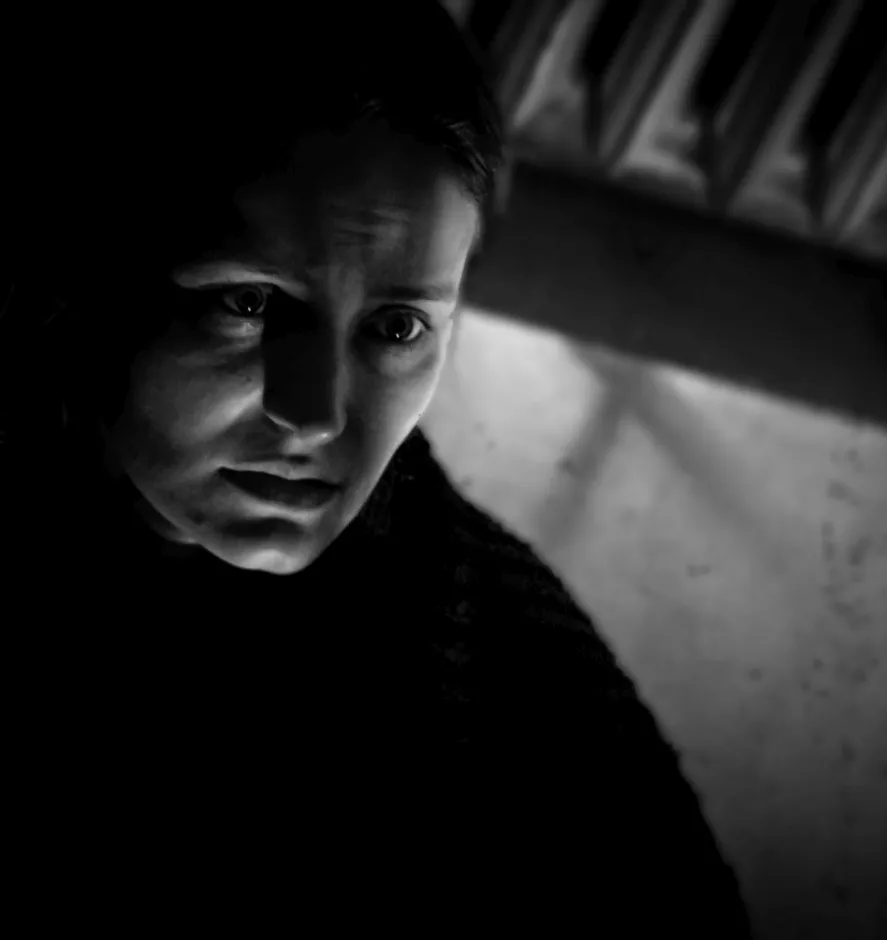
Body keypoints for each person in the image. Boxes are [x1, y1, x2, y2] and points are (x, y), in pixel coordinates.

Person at [1, 5, 753, 936]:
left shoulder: (515, 671)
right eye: (248, 302)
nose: (316, 416)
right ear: (84, 280)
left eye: (398, 329)